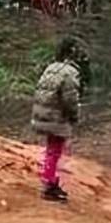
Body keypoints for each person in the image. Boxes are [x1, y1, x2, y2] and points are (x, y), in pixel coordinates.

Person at [31, 38, 83, 202]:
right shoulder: (70, 72)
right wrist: (74, 116)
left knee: (51, 150)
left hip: (43, 113)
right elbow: (70, 99)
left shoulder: (51, 67)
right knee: (54, 151)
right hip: (56, 116)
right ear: (71, 53)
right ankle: (49, 184)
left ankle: (50, 180)